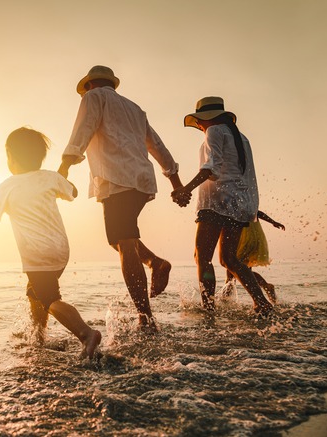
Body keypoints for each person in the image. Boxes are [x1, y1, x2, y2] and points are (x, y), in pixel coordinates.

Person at [57, 65, 186, 330]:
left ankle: (146, 318)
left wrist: (64, 167)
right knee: (118, 239)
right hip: (140, 180)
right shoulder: (135, 109)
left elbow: (83, 130)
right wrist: (175, 181)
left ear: (90, 85)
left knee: (124, 243)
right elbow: (156, 145)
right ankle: (155, 262)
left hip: (117, 179)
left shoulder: (93, 98)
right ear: (112, 84)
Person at [0, 127, 102, 358]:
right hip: (60, 251)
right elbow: (72, 193)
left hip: (37, 254)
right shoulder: (50, 177)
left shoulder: (8, 186)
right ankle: (39, 337)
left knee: (49, 299)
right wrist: (60, 180)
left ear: (10, 157)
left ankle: (86, 333)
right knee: (35, 293)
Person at [171, 96, 274, 315]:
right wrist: (252, 208)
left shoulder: (214, 131)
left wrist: (185, 189)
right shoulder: (241, 137)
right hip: (239, 205)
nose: (199, 125)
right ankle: (261, 302)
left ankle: (208, 307)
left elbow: (211, 169)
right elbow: (246, 177)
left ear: (205, 119)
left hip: (217, 203)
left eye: (199, 121)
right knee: (229, 259)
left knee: (202, 257)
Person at [220, 210, 285, 303]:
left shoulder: (237, 204)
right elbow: (257, 212)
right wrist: (273, 222)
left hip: (245, 238)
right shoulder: (245, 202)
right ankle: (266, 286)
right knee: (240, 269)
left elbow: (256, 212)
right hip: (252, 235)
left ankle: (225, 299)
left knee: (232, 266)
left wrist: (273, 222)